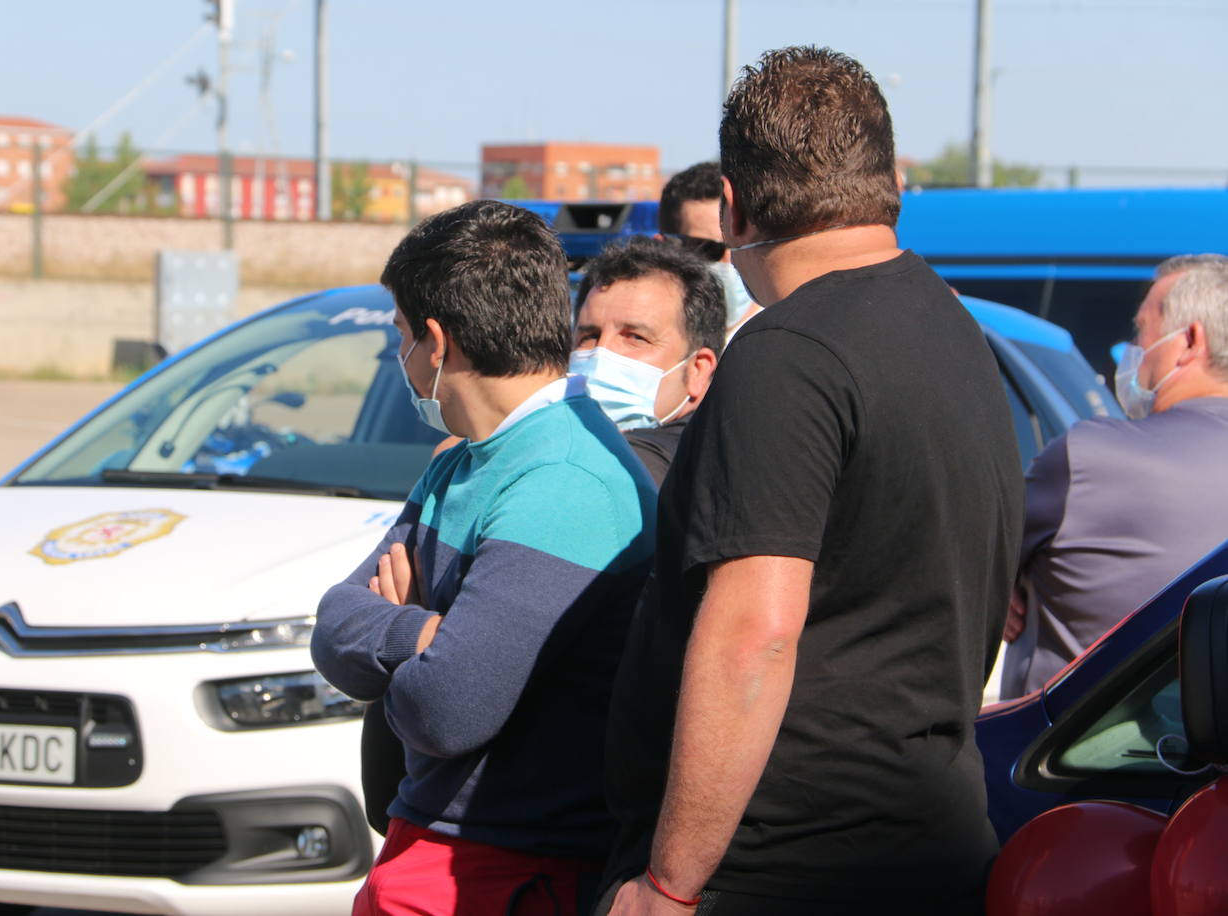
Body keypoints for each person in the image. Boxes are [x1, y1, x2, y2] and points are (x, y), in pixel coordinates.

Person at [602, 46, 1023, 915]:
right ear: (888, 179)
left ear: (733, 205)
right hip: (925, 839)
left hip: (784, 864)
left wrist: (670, 884)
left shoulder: (787, 355)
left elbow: (754, 632)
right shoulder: (952, 331)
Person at [310, 200, 655, 916]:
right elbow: (334, 628)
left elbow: (448, 708)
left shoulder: (565, 481)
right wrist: (423, 632)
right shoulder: (464, 461)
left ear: (435, 343)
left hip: (506, 868)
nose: (401, 356)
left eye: (400, 336)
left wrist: (407, 631)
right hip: (432, 845)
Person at [1001, 254, 1228, 699]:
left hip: (1071, 758)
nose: (1132, 353)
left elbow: (966, 556)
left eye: (1141, 331)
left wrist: (999, 580)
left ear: (1188, 341)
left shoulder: (1089, 457)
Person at [570, 236, 724, 484]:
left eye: (635, 337)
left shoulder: (664, 464)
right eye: (589, 336)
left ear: (698, 370)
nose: (603, 352)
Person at [657, 161, 762, 336]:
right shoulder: (639, 338)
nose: (729, 262)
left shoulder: (788, 337)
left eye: (741, 246)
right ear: (664, 247)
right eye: (708, 249)